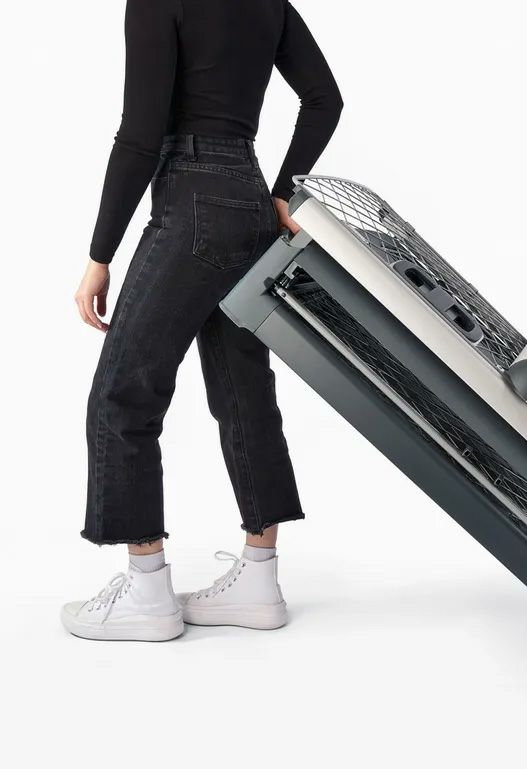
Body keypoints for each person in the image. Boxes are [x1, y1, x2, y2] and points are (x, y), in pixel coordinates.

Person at [62, 0, 343, 641]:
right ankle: (259, 580)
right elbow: (324, 99)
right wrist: (280, 191)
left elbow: (140, 135)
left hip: (191, 199)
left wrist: (100, 256)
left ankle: (146, 593)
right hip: (249, 200)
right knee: (244, 394)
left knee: (122, 395)